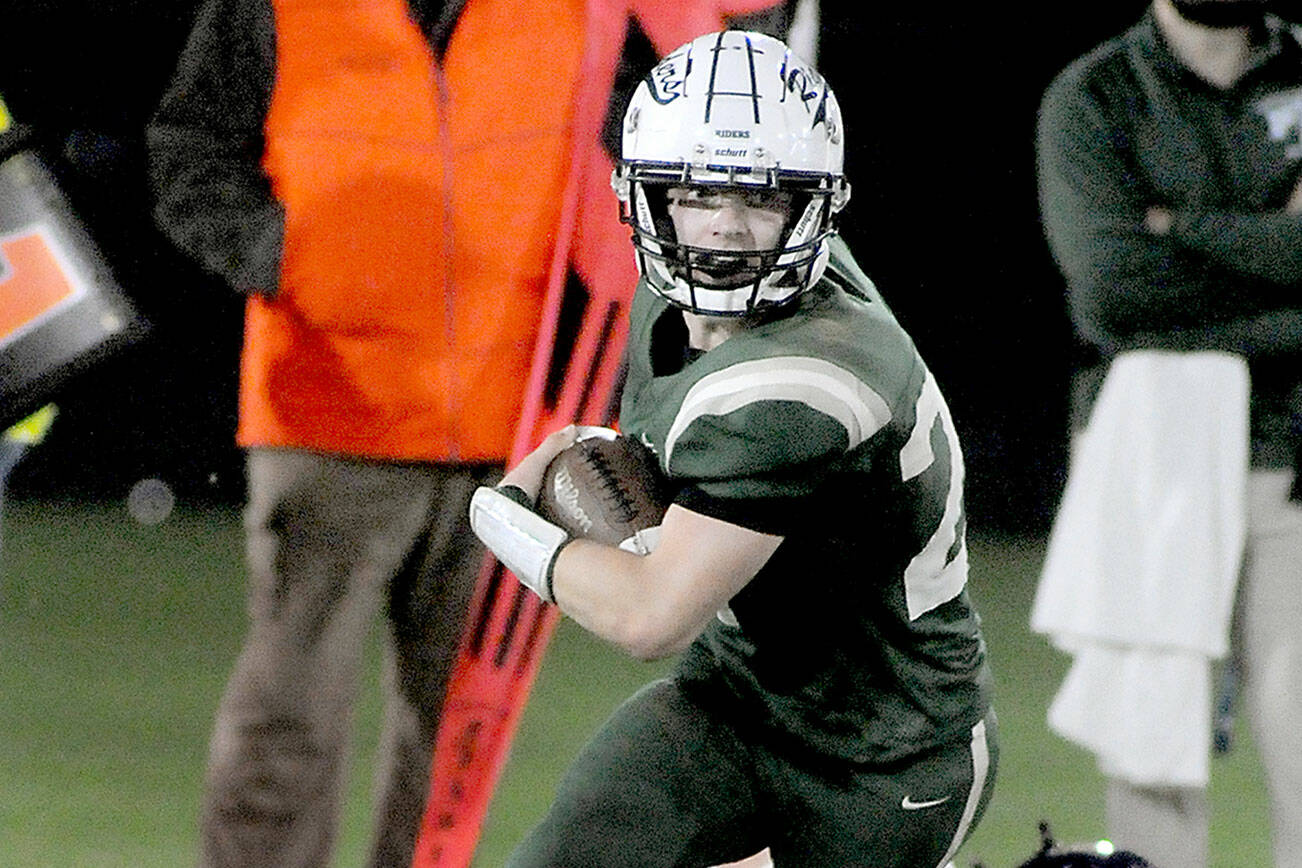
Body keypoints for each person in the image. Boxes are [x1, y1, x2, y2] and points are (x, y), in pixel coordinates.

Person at [469, 30, 997, 868]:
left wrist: (506, 521)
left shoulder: (802, 382)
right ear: (647, 196)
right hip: (736, 697)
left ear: (813, 207)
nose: (726, 230)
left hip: (884, 754)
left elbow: (651, 615)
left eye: (764, 199)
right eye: (697, 194)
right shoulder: (671, 301)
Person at [145, 0, 600, 864]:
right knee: (289, 726)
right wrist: (291, 259)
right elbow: (188, 149)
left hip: (514, 436)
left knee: (463, 741)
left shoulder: (581, 12)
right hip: (331, 414)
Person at [1032, 1, 1302, 866]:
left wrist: (1178, 225)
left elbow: (1150, 284)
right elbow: (1112, 290)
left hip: (1295, 459)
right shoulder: (1096, 95)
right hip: (1149, 457)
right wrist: (1279, 249)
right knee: (1148, 729)